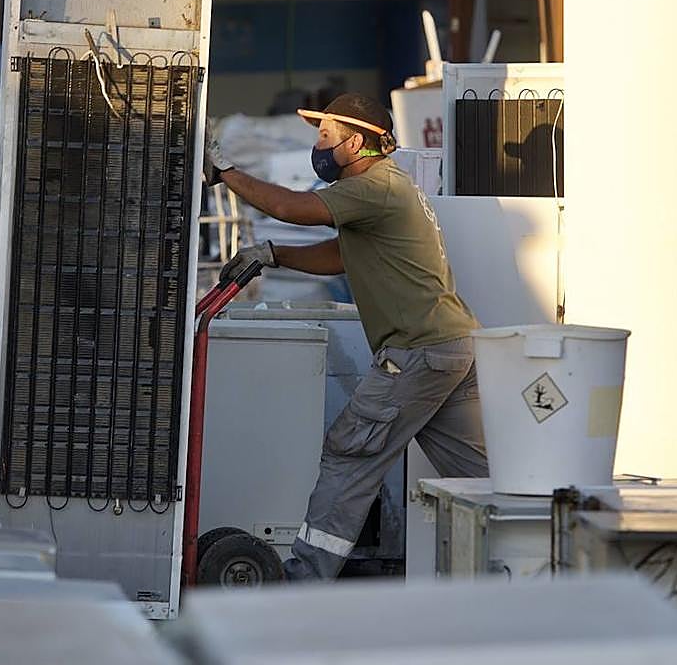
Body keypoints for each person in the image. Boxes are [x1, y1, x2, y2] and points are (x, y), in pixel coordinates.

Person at [205, 93, 489, 581]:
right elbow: (341, 255)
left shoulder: (373, 185)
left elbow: (290, 206)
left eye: (325, 136)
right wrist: (274, 254)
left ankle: (305, 579)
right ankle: (533, 565)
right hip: (452, 348)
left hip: (417, 353)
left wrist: (224, 171)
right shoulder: (388, 188)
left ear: (355, 142)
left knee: (349, 453)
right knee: (478, 477)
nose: (317, 145)